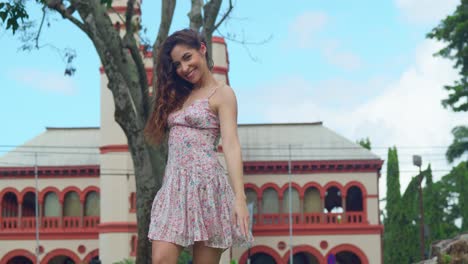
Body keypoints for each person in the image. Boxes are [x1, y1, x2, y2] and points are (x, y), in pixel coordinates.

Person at [144, 29, 254, 264]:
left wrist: (240, 198)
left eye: (187, 57)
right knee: (161, 259)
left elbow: (231, 145)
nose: (183, 68)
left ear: (202, 50)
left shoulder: (222, 94)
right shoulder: (178, 94)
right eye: (177, 64)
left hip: (207, 187)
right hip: (174, 186)